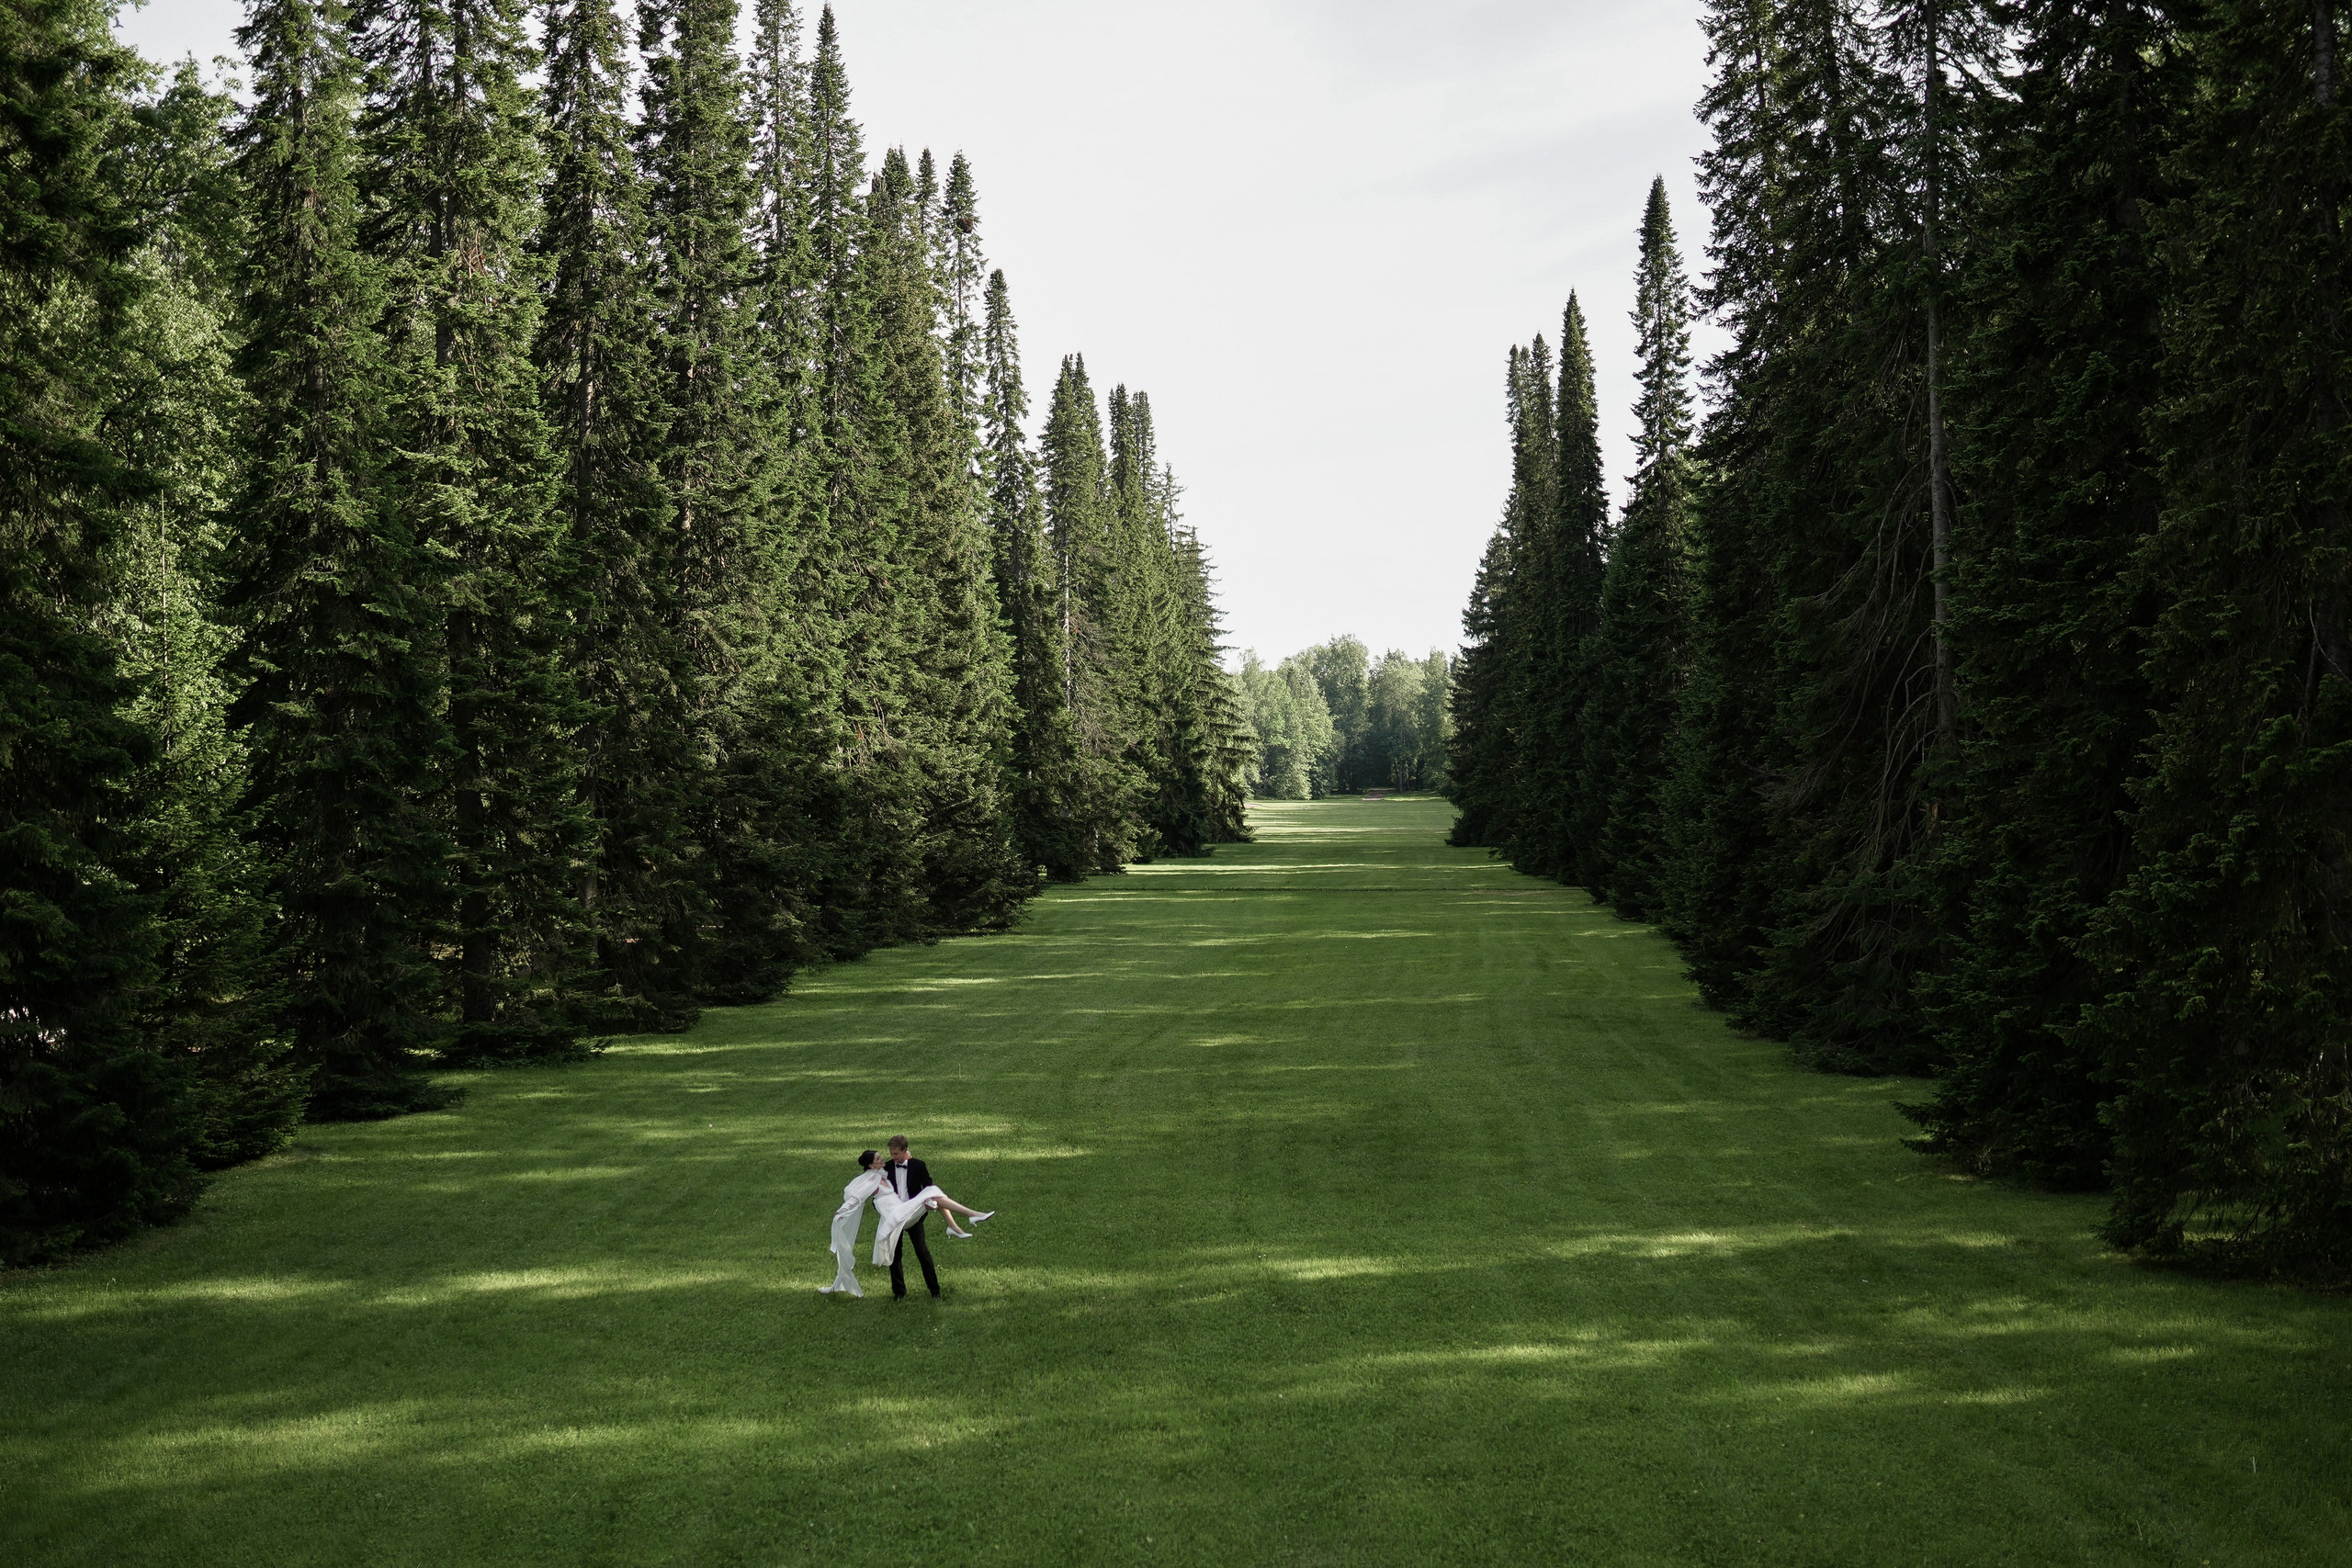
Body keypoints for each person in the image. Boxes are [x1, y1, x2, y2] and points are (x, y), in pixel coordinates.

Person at [876, 1135, 994, 1297]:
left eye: (896, 1153)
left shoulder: (918, 1165)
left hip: (913, 1214)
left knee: (922, 1252)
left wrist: (929, 1204)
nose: (893, 1157)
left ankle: (935, 1291)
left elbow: (929, 1187)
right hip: (894, 1216)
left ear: (905, 1151)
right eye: (891, 1153)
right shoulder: (887, 1168)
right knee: (895, 1255)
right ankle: (899, 1294)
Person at [819, 1150, 887, 1297]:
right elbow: (857, 1196)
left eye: (880, 1155)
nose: (882, 1158)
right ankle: (840, 1281)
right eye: (877, 1158)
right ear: (871, 1165)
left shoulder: (882, 1172)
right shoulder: (871, 1179)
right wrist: (843, 1210)